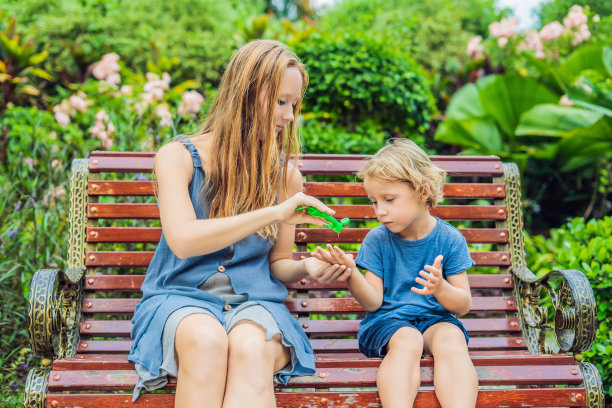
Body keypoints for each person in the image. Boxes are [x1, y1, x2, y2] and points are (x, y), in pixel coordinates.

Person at [128, 40, 351, 408]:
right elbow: (183, 240)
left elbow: (278, 265)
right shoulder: (177, 157)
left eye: (294, 104)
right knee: (206, 340)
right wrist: (273, 213)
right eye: (281, 101)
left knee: (251, 348)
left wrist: (307, 266)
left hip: (255, 303)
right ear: (245, 94)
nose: (290, 115)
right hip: (180, 301)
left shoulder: (284, 177)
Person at [312, 138, 479, 408]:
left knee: (452, 338)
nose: (380, 211)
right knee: (408, 338)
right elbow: (373, 302)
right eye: (374, 202)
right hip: (388, 324)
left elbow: (463, 306)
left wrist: (441, 289)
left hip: (435, 322)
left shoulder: (450, 239)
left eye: (389, 199)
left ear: (423, 192)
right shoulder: (377, 240)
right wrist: (352, 273)